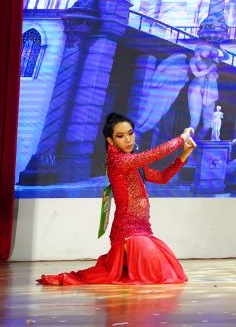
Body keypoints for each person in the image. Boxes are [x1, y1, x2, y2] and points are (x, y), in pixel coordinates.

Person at [37, 113, 196, 285]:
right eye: (120, 136)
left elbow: (163, 178)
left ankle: (129, 264)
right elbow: (155, 154)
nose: (128, 139)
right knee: (160, 275)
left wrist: (185, 154)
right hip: (127, 234)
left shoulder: (133, 162)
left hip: (143, 231)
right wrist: (182, 138)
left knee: (172, 273)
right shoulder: (118, 162)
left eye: (130, 133)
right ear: (110, 140)